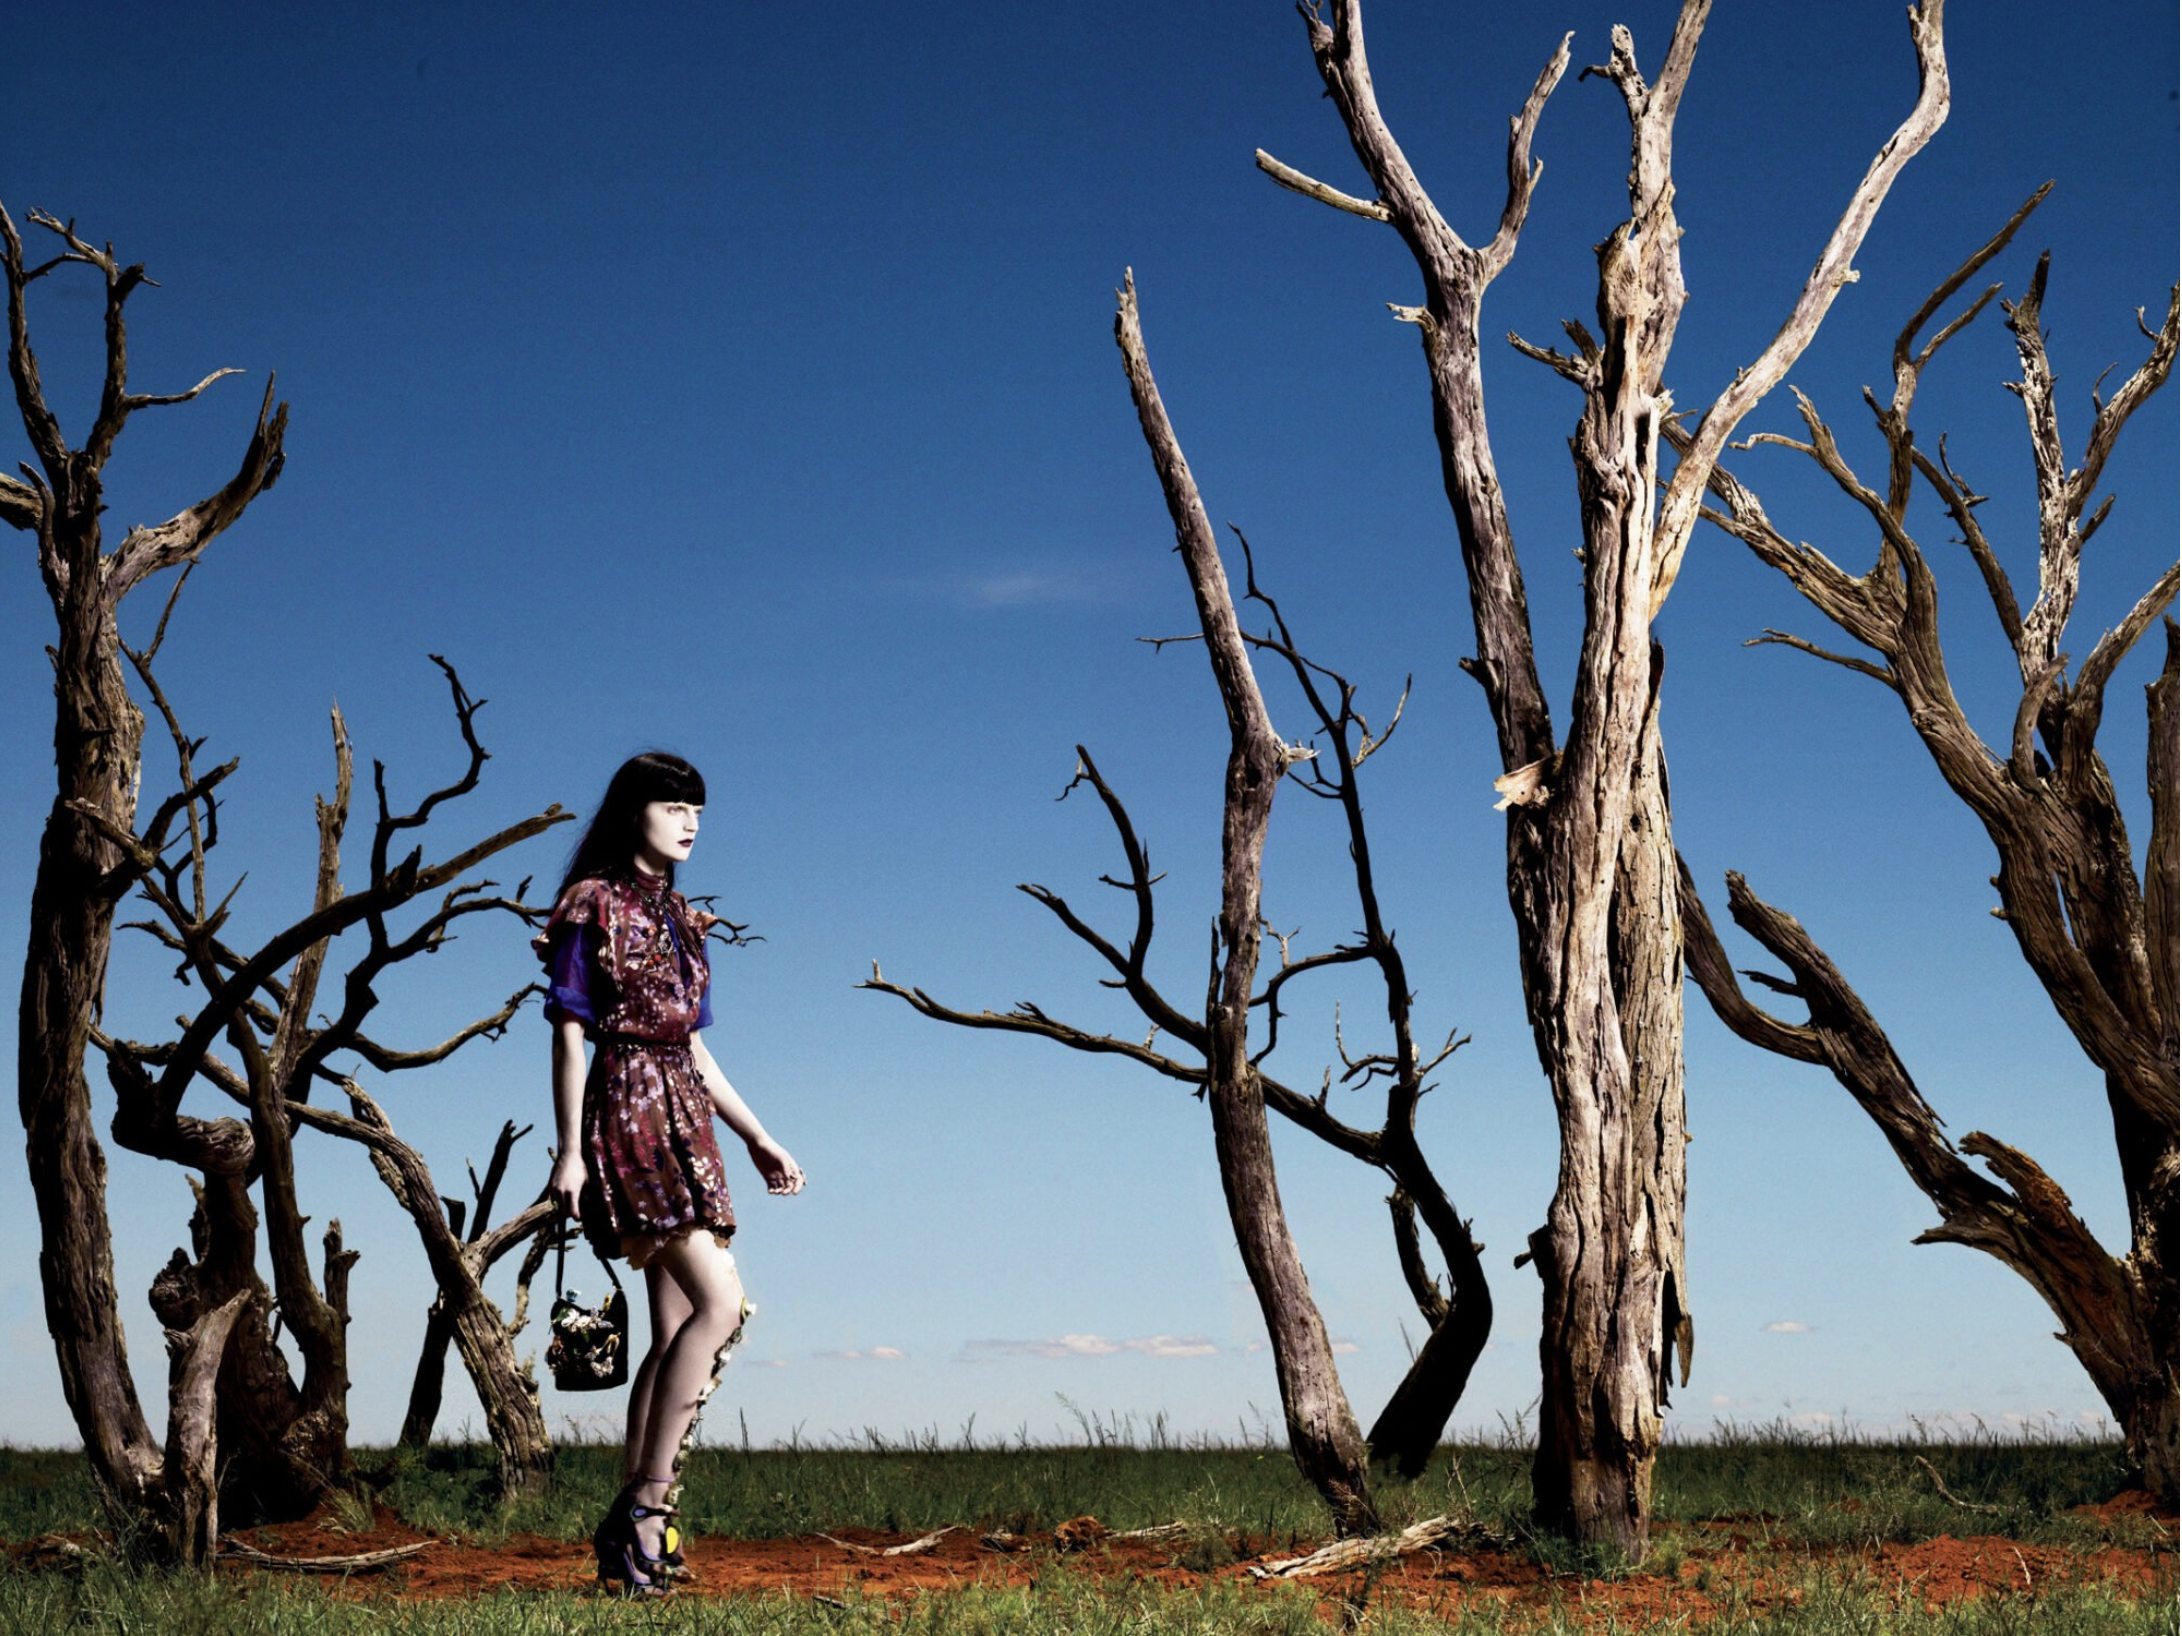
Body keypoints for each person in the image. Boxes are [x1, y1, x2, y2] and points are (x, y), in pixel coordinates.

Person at [536, 751, 804, 1595]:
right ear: (632, 812)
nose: (689, 820)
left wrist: (760, 1137)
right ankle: (644, 1516)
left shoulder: (685, 918)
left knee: (674, 1329)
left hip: (687, 1116)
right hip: (630, 1113)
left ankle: (637, 1530)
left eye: (698, 807)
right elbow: (571, 1029)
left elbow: (693, 1044)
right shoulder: (593, 903)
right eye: (672, 804)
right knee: (723, 1304)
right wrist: (570, 1150)